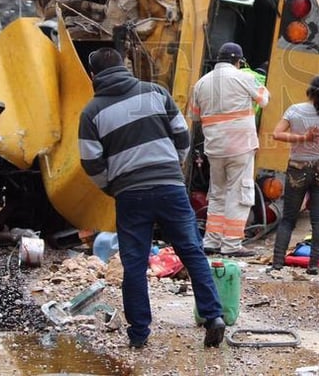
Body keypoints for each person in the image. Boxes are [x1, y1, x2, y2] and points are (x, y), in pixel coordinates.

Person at [78, 48, 226, 349]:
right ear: (124, 66)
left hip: (130, 195)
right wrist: (172, 167)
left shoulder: (91, 112)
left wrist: (114, 186)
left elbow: (90, 162)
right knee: (192, 251)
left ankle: (139, 333)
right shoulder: (156, 93)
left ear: (93, 76)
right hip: (170, 186)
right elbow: (183, 137)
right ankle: (213, 317)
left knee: (134, 263)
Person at [191, 42, 270, 257]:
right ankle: (231, 245)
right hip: (240, 147)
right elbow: (264, 100)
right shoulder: (244, 77)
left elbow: (195, 116)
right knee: (239, 193)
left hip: (214, 148)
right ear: (239, 61)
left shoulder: (200, 83)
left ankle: (211, 241)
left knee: (217, 194)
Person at [270, 75, 319, 276]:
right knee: (318, 220)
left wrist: (302, 138)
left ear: (309, 91)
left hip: (297, 169)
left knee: (288, 219)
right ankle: (313, 265)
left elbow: (277, 134)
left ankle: (277, 263)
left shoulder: (294, 111)